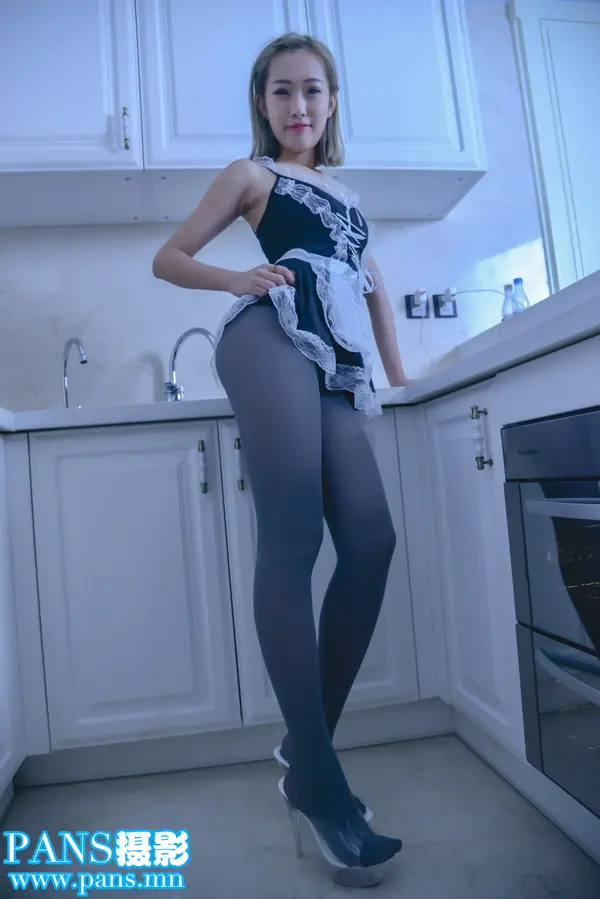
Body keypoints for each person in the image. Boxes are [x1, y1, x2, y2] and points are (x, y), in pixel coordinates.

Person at [152, 32, 410, 880]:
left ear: (332, 102)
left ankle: (307, 758)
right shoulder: (251, 175)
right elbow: (169, 257)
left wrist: (402, 376)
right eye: (281, 91)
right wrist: (238, 281)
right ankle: (325, 785)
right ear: (263, 105)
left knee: (371, 540)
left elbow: (374, 295)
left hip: (332, 364)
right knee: (294, 537)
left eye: (313, 90)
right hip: (267, 337)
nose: (298, 105)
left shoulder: (351, 201)